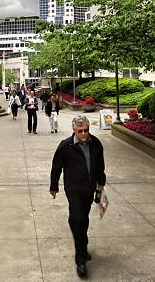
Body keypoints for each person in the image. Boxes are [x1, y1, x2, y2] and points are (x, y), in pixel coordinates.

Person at [50, 115, 106, 279]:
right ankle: (80, 260)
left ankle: (83, 244)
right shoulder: (66, 145)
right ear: (74, 130)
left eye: (86, 130)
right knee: (78, 217)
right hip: (73, 189)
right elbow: (56, 166)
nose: (84, 134)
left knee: (83, 219)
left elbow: (100, 165)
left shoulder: (96, 143)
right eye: (80, 131)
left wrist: (100, 185)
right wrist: (54, 186)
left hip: (89, 188)